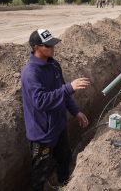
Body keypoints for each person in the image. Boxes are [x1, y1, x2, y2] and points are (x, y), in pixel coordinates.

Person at [21, 29, 90, 190]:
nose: (53, 48)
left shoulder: (53, 64)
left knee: (64, 159)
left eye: (53, 44)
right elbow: (41, 102)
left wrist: (76, 112)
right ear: (37, 47)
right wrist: (69, 88)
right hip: (42, 134)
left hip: (59, 126)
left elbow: (62, 94)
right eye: (49, 45)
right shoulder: (31, 73)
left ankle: (65, 185)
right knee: (40, 172)